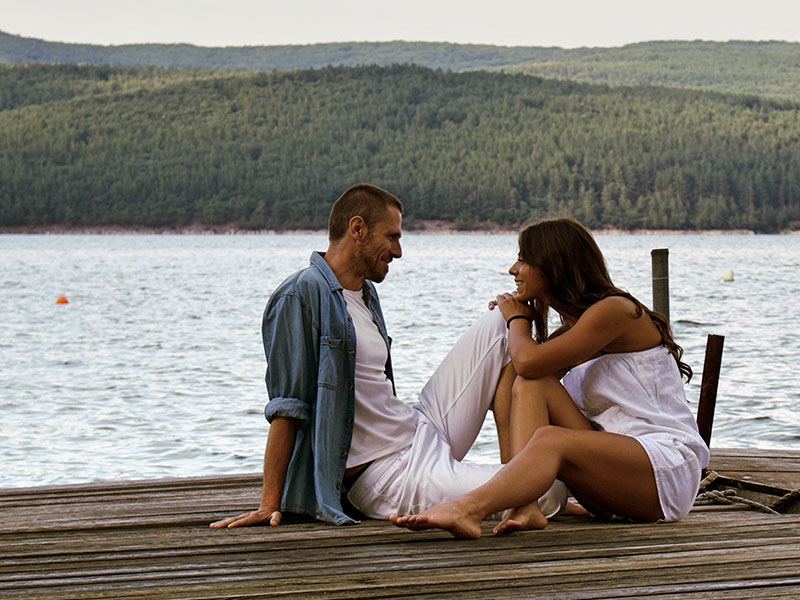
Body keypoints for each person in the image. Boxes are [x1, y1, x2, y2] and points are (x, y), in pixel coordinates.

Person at [210, 184, 565, 529]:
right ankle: (519, 491)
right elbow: (287, 406)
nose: (398, 251)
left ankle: (515, 471)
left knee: (500, 323)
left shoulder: (364, 293)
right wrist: (269, 504)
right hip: (389, 473)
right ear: (358, 229)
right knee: (548, 488)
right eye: (392, 237)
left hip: (419, 429)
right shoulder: (300, 295)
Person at [391, 217, 710, 539]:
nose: (513, 270)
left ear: (554, 265)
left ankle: (468, 509)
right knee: (527, 383)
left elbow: (528, 360)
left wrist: (517, 319)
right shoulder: (581, 326)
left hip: (663, 471)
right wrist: (506, 326)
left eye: (523, 260)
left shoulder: (615, 311)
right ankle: (525, 503)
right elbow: (522, 372)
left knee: (548, 432)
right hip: (614, 477)